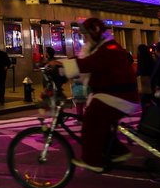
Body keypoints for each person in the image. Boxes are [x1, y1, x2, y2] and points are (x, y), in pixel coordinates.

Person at [46, 17, 138, 172]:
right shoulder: (103, 47)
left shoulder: (109, 49)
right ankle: (119, 152)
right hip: (115, 94)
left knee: (91, 120)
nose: (84, 39)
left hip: (119, 96)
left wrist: (61, 64)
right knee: (102, 125)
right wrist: (61, 66)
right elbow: (85, 60)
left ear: (95, 32)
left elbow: (89, 63)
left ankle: (92, 161)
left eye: (85, 36)